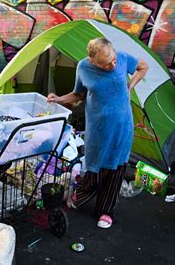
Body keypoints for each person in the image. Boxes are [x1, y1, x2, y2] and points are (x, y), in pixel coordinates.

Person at [47, 37, 148, 229]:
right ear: (93, 61)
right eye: (106, 63)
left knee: (116, 171)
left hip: (122, 128)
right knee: (94, 169)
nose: (113, 64)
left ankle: (105, 211)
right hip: (98, 129)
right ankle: (81, 195)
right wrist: (59, 99)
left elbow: (143, 67)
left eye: (114, 60)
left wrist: (131, 85)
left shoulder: (123, 58)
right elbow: (78, 94)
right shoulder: (84, 68)